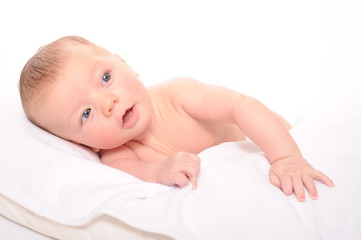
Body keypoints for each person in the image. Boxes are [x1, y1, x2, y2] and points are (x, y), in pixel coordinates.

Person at [19, 36, 334, 202]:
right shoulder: (117, 158)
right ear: (78, 142)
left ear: (124, 62)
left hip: (262, 139)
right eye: (85, 113)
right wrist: (162, 170)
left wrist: (287, 157)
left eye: (104, 78)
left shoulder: (177, 95)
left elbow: (243, 106)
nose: (108, 103)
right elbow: (149, 172)